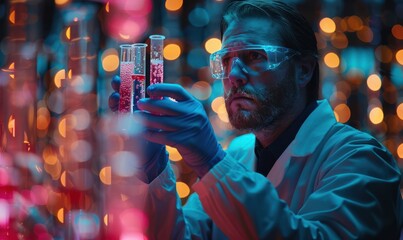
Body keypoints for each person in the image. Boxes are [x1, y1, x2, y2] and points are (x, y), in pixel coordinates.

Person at [109, 0, 402, 239]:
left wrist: (210, 161)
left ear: (303, 71)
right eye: (226, 61)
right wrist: (153, 167)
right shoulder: (237, 155)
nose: (234, 76)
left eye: (254, 57)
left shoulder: (361, 159)